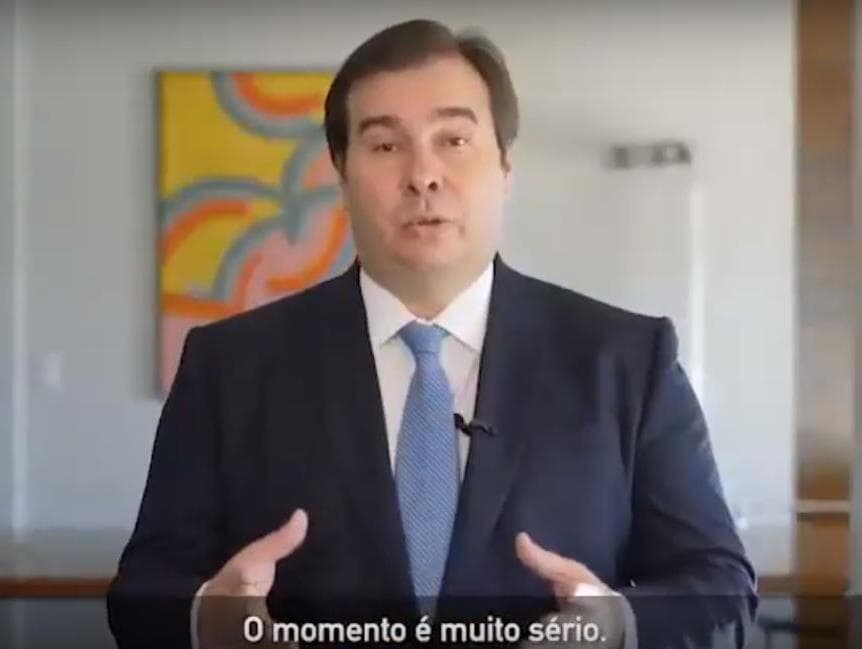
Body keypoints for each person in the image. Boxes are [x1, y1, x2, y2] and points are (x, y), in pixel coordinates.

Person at [107, 18, 757, 649]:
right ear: (341, 172)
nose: (423, 175)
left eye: (453, 140)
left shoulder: (629, 361)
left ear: (505, 165)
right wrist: (209, 621)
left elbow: (720, 585)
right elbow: (142, 593)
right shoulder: (229, 366)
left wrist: (615, 627)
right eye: (386, 145)